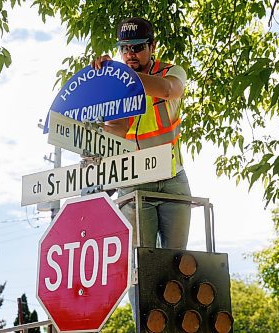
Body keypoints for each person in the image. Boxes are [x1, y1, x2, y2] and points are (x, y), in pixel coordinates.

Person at [91, 17, 192, 250]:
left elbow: (168, 90)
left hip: (172, 179)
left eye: (137, 47)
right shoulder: (117, 86)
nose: (130, 54)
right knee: (143, 262)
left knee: (176, 261)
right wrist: (94, 130)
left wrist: (121, 75)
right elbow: (119, 128)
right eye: (124, 49)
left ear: (152, 46)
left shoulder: (171, 72)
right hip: (134, 181)